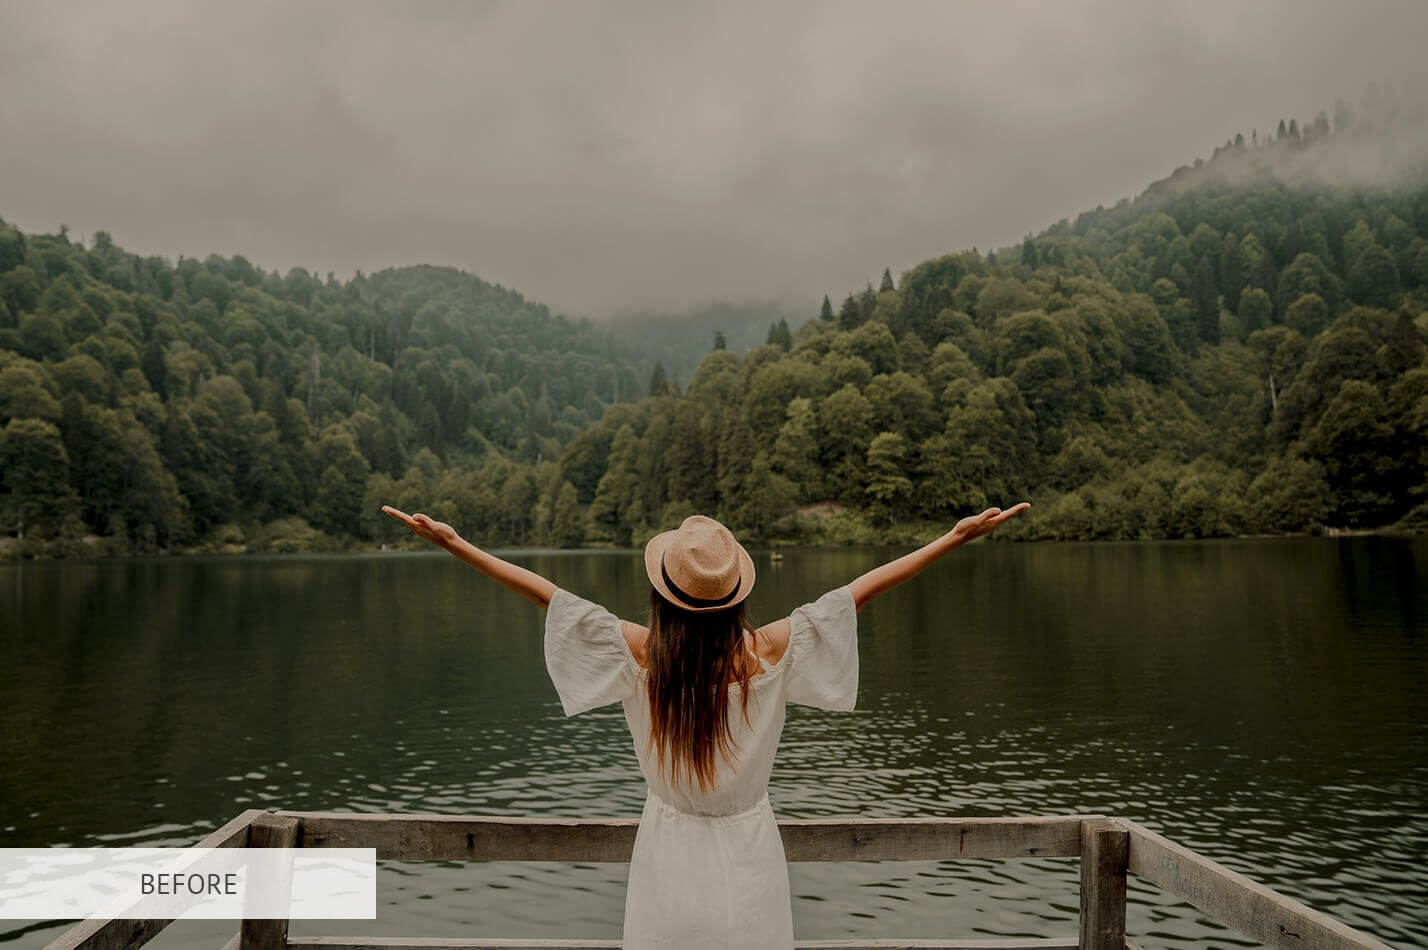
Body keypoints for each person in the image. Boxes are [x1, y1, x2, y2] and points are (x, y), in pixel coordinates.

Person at [382, 503, 1029, 949]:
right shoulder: (767, 654)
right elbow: (862, 590)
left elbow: (547, 594)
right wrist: (953, 539)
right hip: (751, 852)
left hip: (668, 850)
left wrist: (457, 544)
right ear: (736, 596)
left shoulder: (641, 656)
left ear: (663, 597)